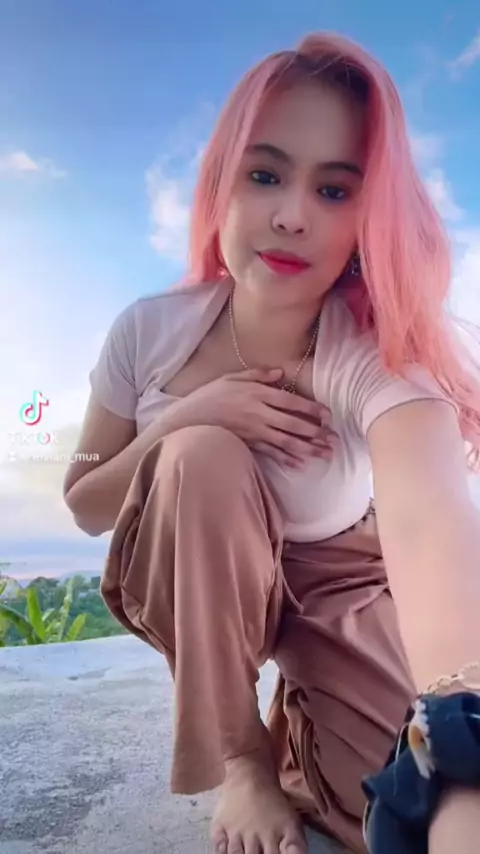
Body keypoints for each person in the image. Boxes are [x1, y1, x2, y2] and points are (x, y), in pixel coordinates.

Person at [63, 31, 480, 854]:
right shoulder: (150, 332)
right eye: (265, 176)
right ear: (222, 181)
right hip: (192, 574)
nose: (292, 215)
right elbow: (84, 501)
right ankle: (245, 760)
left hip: (341, 581)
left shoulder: (371, 354)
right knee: (200, 455)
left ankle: (309, 720)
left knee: (400, 802)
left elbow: (430, 518)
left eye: (334, 190)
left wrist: (461, 732)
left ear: (368, 218)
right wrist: (190, 415)